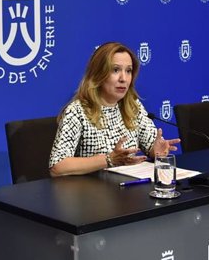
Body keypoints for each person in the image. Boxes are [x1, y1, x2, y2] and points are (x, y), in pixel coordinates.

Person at [49, 42, 179, 176]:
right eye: (115, 70)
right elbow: (58, 166)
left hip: (128, 191)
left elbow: (151, 144)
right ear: (98, 73)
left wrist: (156, 150)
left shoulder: (132, 106)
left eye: (128, 71)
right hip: (90, 192)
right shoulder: (78, 111)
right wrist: (109, 159)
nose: (123, 78)